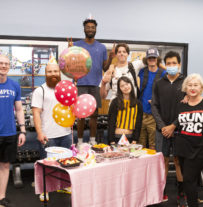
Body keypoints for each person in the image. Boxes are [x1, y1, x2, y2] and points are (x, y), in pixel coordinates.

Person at [31, 56, 72, 201]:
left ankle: (63, 185)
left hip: (66, 133)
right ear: (45, 74)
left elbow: (71, 108)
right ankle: (44, 189)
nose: (53, 74)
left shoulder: (66, 88)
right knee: (46, 165)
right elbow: (36, 113)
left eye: (55, 71)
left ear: (59, 72)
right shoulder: (40, 91)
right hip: (48, 135)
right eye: (50, 72)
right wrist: (40, 133)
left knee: (65, 162)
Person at [176, 73, 203, 207]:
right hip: (183, 148)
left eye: (195, 85)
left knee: (188, 179)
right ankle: (191, 203)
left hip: (201, 149)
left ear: (201, 87)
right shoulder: (181, 105)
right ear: (185, 88)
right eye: (190, 85)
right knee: (189, 180)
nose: (192, 88)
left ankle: (192, 204)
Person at [72, 16, 113, 146]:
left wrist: (111, 57)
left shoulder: (101, 47)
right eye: (88, 27)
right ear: (84, 29)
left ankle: (92, 140)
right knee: (80, 115)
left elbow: (105, 67)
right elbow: (70, 63)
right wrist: (68, 50)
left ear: (96, 29)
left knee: (94, 115)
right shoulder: (76, 44)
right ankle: (79, 142)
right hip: (81, 84)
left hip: (95, 85)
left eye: (93, 27)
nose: (90, 29)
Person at [151, 51, 185, 203]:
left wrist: (173, 125)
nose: (171, 66)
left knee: (178, 160)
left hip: (179, 129)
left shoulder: (185, 83)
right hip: (162, 130)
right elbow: (154, 106)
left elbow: (187, 108)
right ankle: (161, 192)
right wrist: (163, 126)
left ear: (179, 64)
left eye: (174, 63)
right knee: (162, 160)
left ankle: (182, 194)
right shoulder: (159, 83)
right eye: (169, 63)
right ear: (165, 65)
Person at [0, 54, 26, 207]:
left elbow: (19, 109)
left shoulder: (15, 86)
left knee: (4, 166)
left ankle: (1, 197)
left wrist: (22, 131)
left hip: (9, 133)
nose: (3, 66)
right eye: (1, 63)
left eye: (6, 64)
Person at [138, 48, 166, 149]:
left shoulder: (163, 74)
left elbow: (166, 92)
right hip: (141, 114)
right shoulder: (142, 72)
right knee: (140, 144)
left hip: (154, 115)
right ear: (147, 60)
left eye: (154, 58)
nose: (152, 60)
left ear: (157, 59)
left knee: (153, 145)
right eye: (150, 58)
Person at [107, 76, 143, 144]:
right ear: (119, 88)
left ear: (131, 84)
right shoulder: (115, 102)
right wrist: (111, 140)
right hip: (117, 137)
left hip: (131, 138)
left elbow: (138, 123)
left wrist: (135, 139)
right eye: (122, 86)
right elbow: (111, 122)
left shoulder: (138, 103)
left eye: (127, 84)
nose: (126, 87)